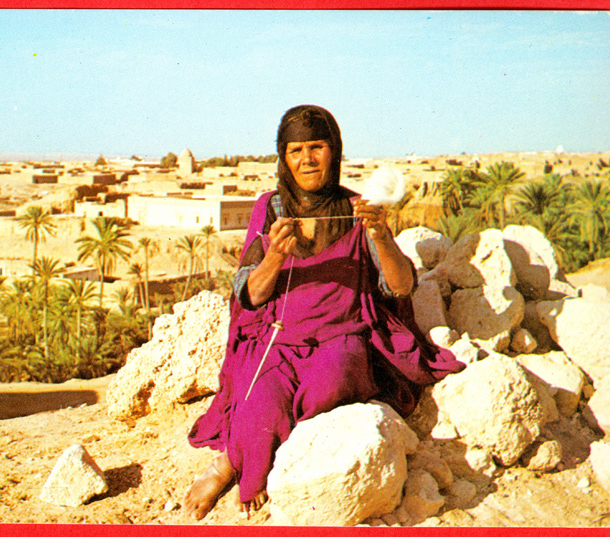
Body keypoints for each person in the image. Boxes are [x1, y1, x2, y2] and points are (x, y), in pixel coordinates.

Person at [183, 105, 465, 520]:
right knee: (261, 406)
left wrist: (380, 235)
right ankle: (228, 464)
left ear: (335, 151)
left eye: (317, 147)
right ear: (284, 157)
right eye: (296, 150)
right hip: (278, 340)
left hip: (341, 338)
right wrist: (274, 257)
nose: (307, 159)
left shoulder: (358, 209)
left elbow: (402, 286)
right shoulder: (271, 208)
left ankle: (254, 458)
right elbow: (250, 295)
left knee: (325, 390)